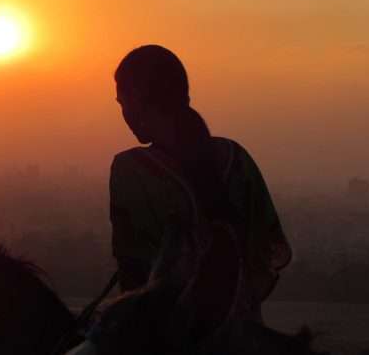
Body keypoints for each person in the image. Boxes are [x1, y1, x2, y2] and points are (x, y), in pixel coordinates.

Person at [107, 45, 291, 334]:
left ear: (140, 100)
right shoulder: (237, 158)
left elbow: (134, 276)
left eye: (122, 102)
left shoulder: (131, 170)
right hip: (244, 337)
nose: (124, 114)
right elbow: (269, 252)